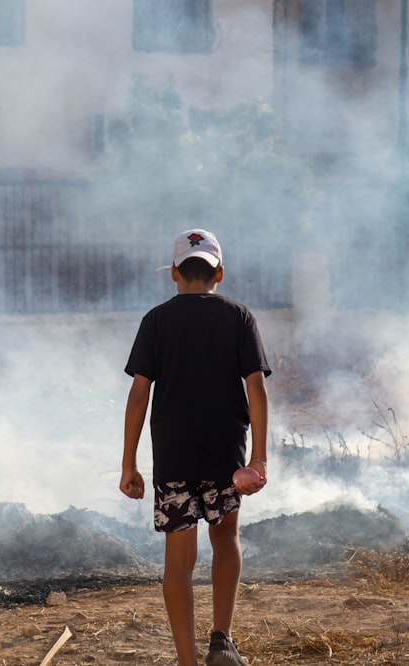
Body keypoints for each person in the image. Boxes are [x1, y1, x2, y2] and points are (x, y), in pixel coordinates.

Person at [120, 228, 271, 666]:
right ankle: (221, 640)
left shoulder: (156, 321)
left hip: (174, 454)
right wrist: (258, 457)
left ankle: (187, 660)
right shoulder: (239, 317)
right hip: (225, 454)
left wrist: (129, 464)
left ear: (173, 274)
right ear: (218, 273)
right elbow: (257, 391)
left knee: (179, 559)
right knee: (226, 539)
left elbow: (138, 396)